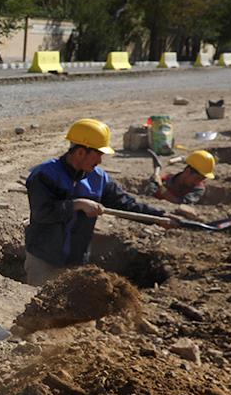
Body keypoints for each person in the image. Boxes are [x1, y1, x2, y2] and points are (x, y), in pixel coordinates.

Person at [23, 118, 171, 287]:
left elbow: (126, 204)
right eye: (98, 154)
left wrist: (159, 217)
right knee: (39, 306)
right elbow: (42, 213)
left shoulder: (98, 179)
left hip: (76, 261)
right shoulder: (45, 175)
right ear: (80, 152)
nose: (100, 161)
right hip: (43, 259)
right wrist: (76, 205)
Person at [145, 150, 215, 204]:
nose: (198, 181)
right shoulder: (166, 179)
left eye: (203, 179)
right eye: (197, 178)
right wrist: (154, 183)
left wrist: (161, 187)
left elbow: (180, 203)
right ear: (187, 171)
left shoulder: (198, 189)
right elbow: (148, 195)